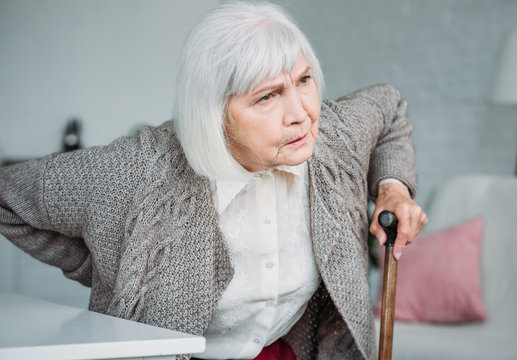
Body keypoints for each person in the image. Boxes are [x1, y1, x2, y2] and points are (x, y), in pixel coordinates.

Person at [0, 1, 427, 359]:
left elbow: (389, 110)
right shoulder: (137, 171)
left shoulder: (334, 135)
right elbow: (9, 197)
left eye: (304, 80)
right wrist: (106, 261)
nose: (301, 113)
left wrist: (393, 188)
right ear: (216, 115)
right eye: (267, 95)